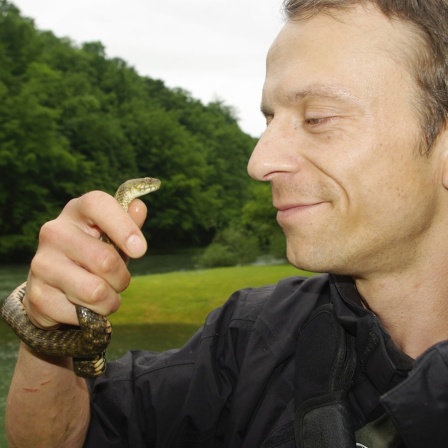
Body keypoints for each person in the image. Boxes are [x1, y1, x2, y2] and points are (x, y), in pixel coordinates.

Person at [4, 0, 448, 446]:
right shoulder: (249, 337)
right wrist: (47, 331)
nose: (259, 162)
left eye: (318, 118)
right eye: (269, 118)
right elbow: (63, 438)